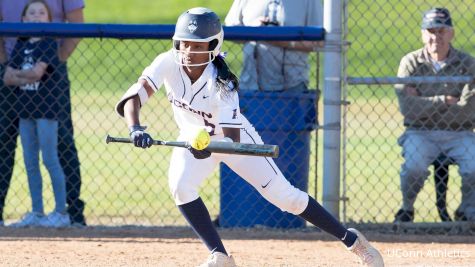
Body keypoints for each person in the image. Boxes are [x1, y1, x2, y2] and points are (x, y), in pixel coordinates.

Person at [115, 7, 384, 267]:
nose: (188, 51)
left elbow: (231, 141)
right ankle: (220, 256)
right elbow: (135, 97)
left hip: (234, 140)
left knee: (285, 197)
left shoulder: (223, 84)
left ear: (213, 46)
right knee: (180, 187)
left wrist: (207, 149)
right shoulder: (167, 62)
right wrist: (136, 128)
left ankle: (353, 241)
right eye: (184, 44)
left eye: (197, 46)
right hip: (192, 139)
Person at [0, 0, 86, 226]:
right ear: (23, 19)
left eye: (41, 13)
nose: (36, 16)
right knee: (21, 154)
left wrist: (53, 63)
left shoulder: (48, 44)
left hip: (48, 94)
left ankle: (67, 212)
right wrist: (14, 72)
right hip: (21, 96)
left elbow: (37, 73)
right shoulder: (20, 43)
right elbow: (8, 77)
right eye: (32, 13)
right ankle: (36, 212)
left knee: (55, 152)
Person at [394, 7, 475, 222]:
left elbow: (468, 112)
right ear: (422, 34)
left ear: (451, 33)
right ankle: (407, 209)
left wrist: (423, 103)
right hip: (420, 132)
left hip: (460, 133)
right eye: (430, 31)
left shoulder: (468, 63)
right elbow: (408, 108)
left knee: (474, 166)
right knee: (414, 167)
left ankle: (466, 213)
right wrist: (445, 100)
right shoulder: (410, 62)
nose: (435, 37)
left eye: (441, 31)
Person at [224, 0, 323, 91]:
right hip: (251, 85)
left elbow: (320, 41)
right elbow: (229, 28)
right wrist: (252, 31)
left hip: (292, 85)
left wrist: (287, 42)